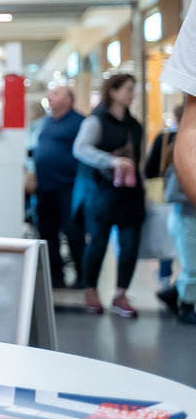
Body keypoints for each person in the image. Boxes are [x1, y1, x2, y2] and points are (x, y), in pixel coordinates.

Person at [72, 72, 145, 317]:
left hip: (131, 196)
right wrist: (111, 161)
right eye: (128, 89)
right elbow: (80, 149)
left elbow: (138, 160)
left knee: (130, 246)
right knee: (97, 245)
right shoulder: (96, 121)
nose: (132, 94)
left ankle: (121, 295)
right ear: (113, 92)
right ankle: (91, 291)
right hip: (102, 194)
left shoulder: (134, 125)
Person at [33, 86, 88, 289]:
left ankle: (83, 277)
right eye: (49, 93)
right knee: (47, 233)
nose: (49, 96)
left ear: (68, 100)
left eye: (56, 94)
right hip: (45, 188)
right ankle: (55, 277)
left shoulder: (79, 122)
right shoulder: (48, 122)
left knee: (73, 232)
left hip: (68, 187)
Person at [148, 103, 196, 323]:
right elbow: (172, 193)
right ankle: (186, 306)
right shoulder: (185, 155)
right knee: (191, 267)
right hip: (185, 218)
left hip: (188, 217)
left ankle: (172, 293)